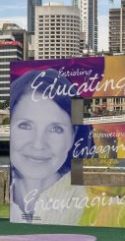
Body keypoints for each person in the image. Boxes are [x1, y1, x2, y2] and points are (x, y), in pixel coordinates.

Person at [8, 69, 80, 224]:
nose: (38, 145)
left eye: (56, 129)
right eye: (25, 126)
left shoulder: (105, 209)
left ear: (72, 137)